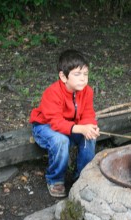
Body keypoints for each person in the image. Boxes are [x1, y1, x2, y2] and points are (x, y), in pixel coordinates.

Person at [29, 49, 100, 198]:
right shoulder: (52, 93)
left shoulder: (87, 91)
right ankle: (55, 179)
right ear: (63, 76)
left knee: (90, 137)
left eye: (85, 74)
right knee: (61, 140)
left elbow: (88, 114)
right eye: (77, 74)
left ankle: (82, 177)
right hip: (45, 126)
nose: (83, 79)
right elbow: (55, 123)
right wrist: (80, 128)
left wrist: (89, 127)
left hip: (70, 125)